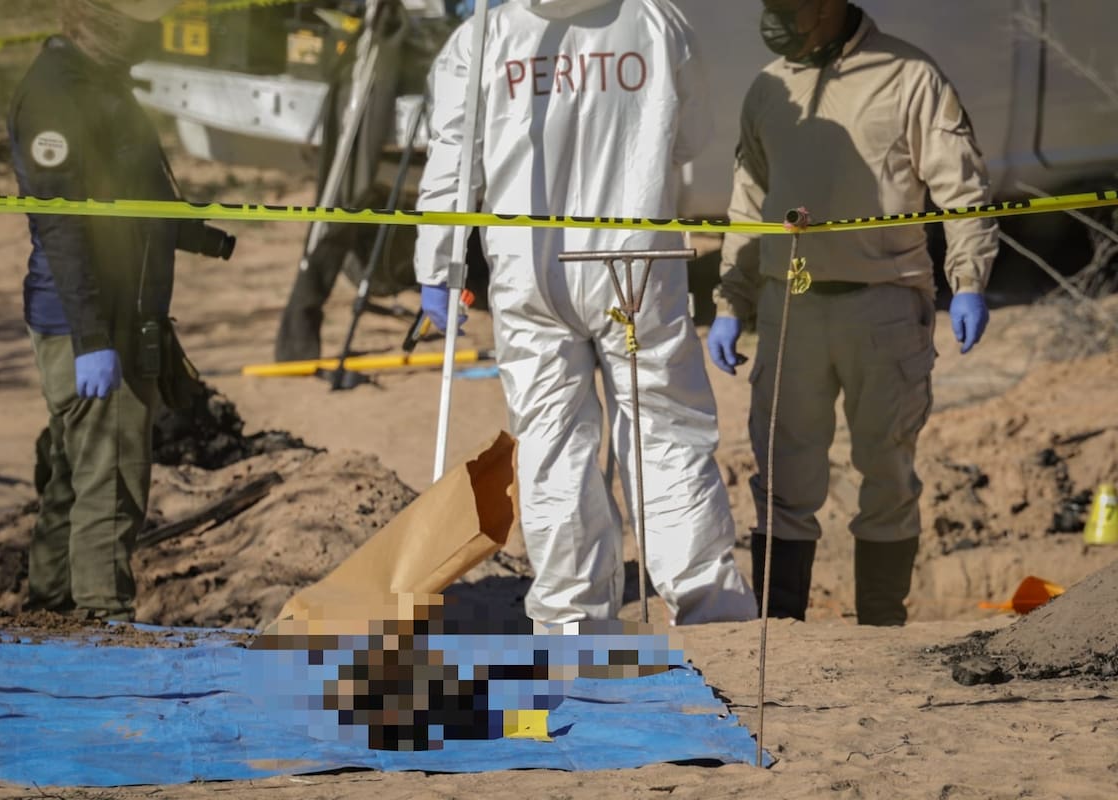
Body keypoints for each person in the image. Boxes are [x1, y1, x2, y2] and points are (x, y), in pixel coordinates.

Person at [414, 0, 758, 625]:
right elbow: (693, 135)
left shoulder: (485, 34)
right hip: (633, 263)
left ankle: (572, 623)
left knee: (552, 447)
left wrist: (436, 265)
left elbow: (453, 159)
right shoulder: (656, 20)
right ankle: (713, 615)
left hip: (529, 270)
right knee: (665, 435)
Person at [707, 0, 999, 625]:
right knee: (782, 478)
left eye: (790, 6)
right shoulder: (769, 88)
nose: (775, 18)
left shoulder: (910, 76)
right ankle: (778, 637)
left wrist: (969, 278)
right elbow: (748, 203)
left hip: (885, 304)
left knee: (888, 472)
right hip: (792, 307)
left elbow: (962, 188)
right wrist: (731, 299)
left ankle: (880, 636)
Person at [8, 0, 227, 621]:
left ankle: (50, 610)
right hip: (90, 318)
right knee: (111, 482)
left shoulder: (98, 82)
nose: (152, 36)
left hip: (125, 311)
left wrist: (203, 235)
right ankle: (102, 628)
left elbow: (130, 199)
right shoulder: (55, 97)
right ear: (102, 21)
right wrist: (91, 338)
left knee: (76, 472)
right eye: (142, 26)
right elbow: (62, 226)